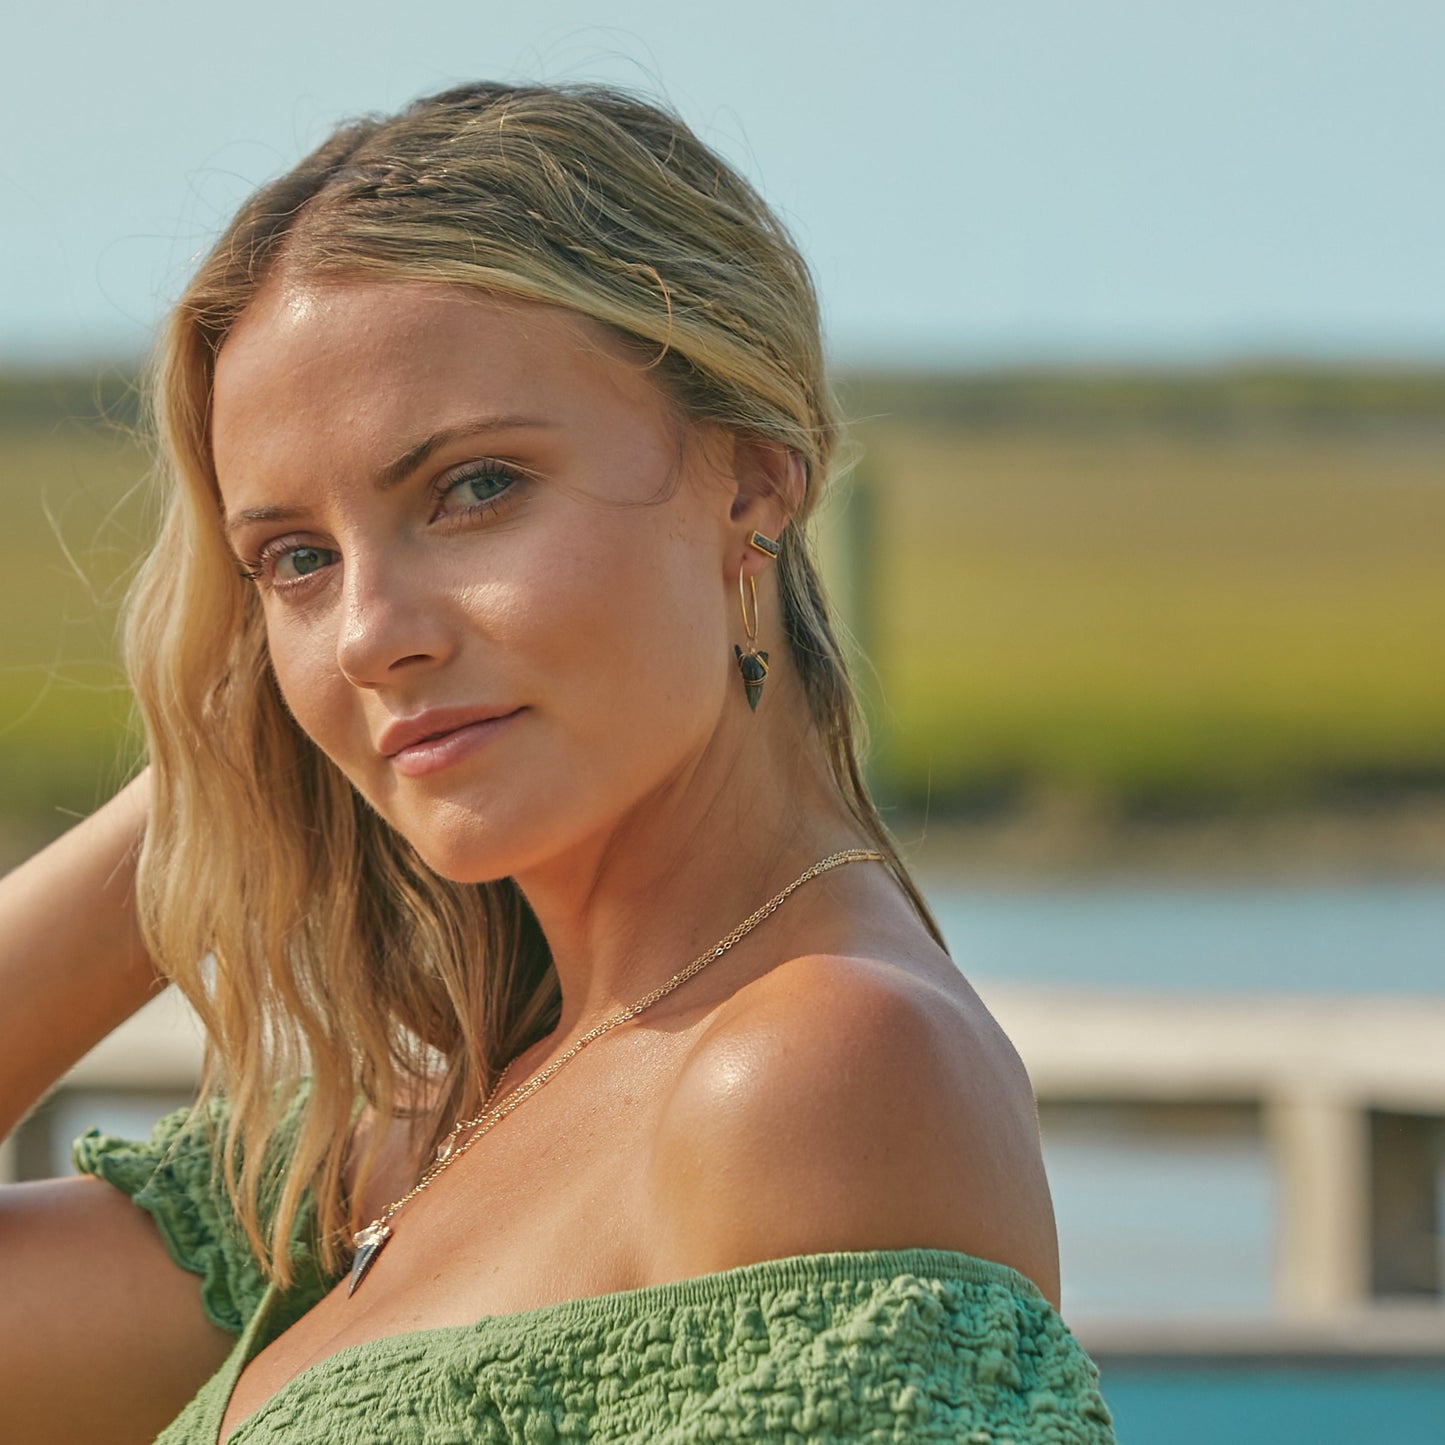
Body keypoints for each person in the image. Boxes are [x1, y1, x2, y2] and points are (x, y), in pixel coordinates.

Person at [0, 82, 1115, 1443]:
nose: (369, 636)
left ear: (752, 481)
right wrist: (211, 773)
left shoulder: (812, 1071)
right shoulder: (396, 1150)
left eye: (474, 488)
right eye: (296, 558)